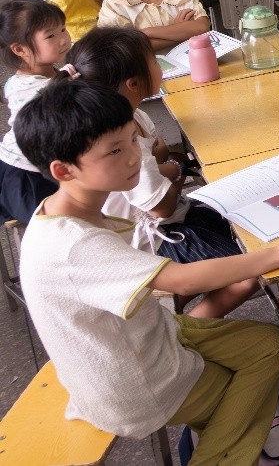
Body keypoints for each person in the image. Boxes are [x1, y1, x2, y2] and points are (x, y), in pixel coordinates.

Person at [15, 79, 279, 462]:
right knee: (237, 399)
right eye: (113, 150)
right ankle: (218, 456)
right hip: (136, 384)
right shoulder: (74, 245)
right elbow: (180, 280)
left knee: (269, 343)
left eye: (131, 140)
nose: (132, 158)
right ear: (64, 170)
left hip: (144, 336)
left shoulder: (61, 211)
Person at [62, 27, 257, 317]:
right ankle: (187, 328)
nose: (160, 66)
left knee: (245, 215)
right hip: (154, 239)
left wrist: (167, 165)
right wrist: (176, 169)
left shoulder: (130, 115)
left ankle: (179, 300)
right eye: (155, 61)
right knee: (249, 270)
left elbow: (160, 151)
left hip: (171, 215)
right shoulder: (123, 144)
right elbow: (162, 207)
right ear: (133, 83)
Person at [0, 0, 69, 223]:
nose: (63, 39)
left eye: (63, 29)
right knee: (54, 227)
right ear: (20, 49)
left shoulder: (47, 72)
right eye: (51, 36)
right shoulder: (30, 89)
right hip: (24, 173)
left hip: (43, 165)